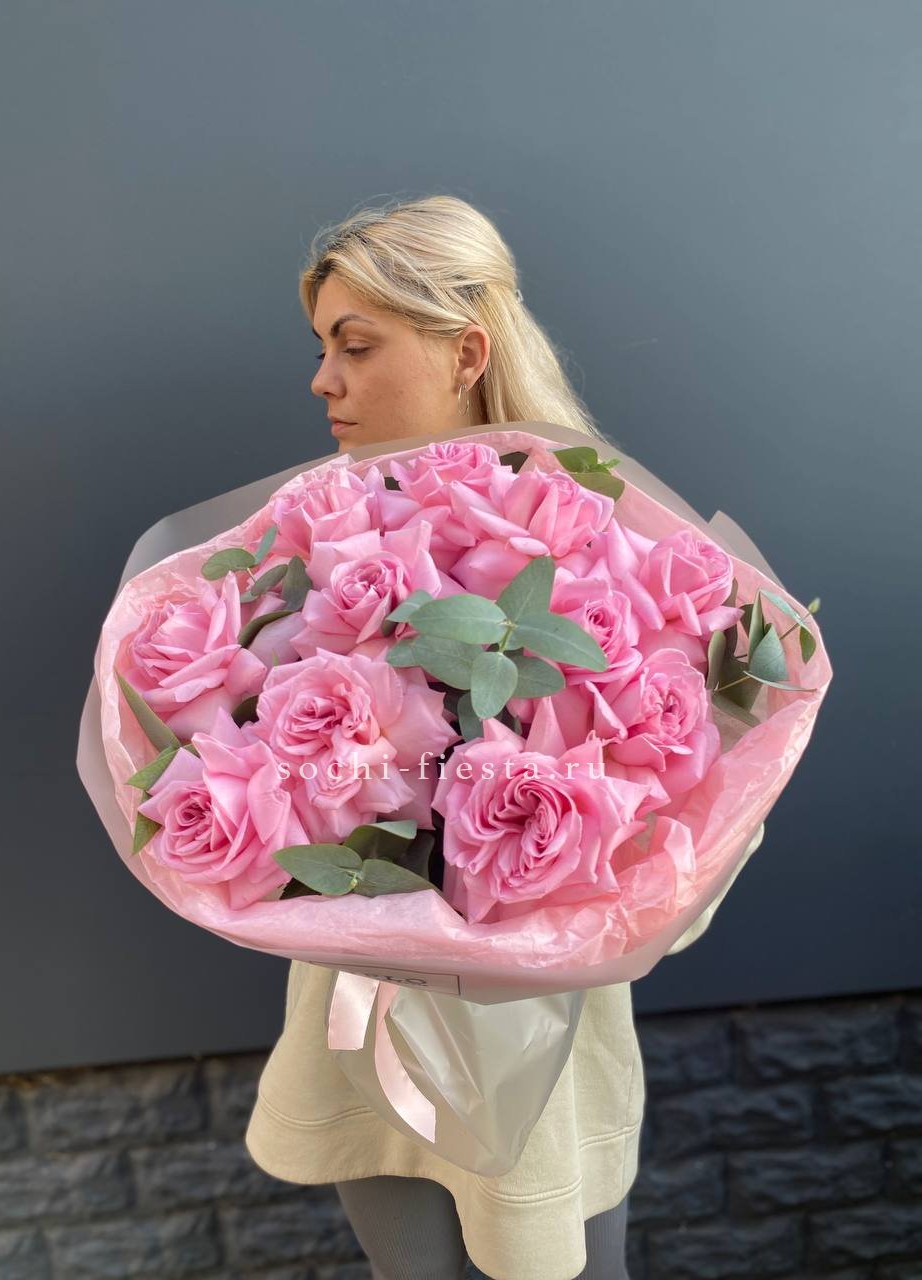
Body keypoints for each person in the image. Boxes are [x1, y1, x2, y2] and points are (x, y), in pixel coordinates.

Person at [244, 193, 763, 1280]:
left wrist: (625, 887)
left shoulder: (598, 543)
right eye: (322, 348)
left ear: (466, 351)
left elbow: (703, 798)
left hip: (542, 1046)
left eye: (356, 345)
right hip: (368, 1032)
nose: (323, 380)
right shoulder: (315, 547)